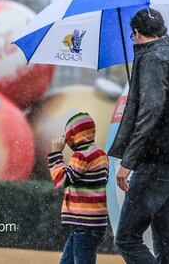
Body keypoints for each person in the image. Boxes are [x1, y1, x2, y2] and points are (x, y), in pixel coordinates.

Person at [109, 8, 169, 264]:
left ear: (136, 33)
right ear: (162, 30)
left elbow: (150, 112)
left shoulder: (152, 61)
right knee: (168, 244)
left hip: (156, 161)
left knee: (126, 237)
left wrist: (128, 162)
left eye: (133, 36)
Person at [48, 112, 109, 264]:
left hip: (84, 224)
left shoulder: (81, 156)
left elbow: (61, 181)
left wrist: (56, 153)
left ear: (75, 137)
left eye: (68, 137)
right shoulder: (101, 155)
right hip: (94, 223)